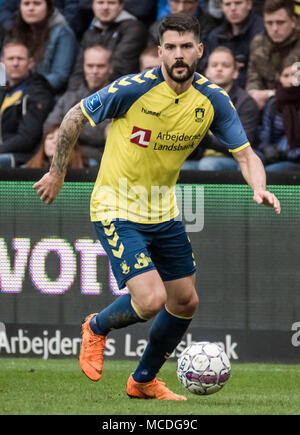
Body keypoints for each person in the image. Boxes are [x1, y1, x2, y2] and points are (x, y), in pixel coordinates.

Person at [33, 13, 280, 401]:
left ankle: (143, 380)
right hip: (115, 205)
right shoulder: (133, 89)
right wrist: (57, 172)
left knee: (185, 300)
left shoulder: (212, 100)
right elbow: (74, 115)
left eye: (186, 47)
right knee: (150, 300)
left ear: (199, 50)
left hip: (162, 211)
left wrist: (260, 188)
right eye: (172, 48)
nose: (179, 55)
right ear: (160, 52)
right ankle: (96, 327)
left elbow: (246, 155)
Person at [182, 46, 260, 170]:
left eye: (225, 65)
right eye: (214, 65)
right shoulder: (194, 99)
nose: (219, 69)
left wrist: (206, 140)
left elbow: (245, 143)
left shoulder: (246, 102)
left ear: (235, 73)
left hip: (234, 158)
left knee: (207, 164)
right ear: (207, 71)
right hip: (199, 158)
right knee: (179, 167)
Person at [45, 45, 112, 166]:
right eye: (90, 66)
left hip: (96, 160)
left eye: (100, 66)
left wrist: (69, 126)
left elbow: (101, 137)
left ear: (110, 68)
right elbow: (49, 127)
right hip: (64, 155)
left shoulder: (116, 97)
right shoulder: (69, 96)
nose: (95, 71)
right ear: (84, 67)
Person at [67, 0, 147, 90]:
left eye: (111, 3)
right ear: (93, 6)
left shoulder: (134, 29)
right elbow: (78, 71)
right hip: (88, 94)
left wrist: (92, 98)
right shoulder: (90, 33)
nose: (105, 7)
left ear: (121, 6)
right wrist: (75, 94)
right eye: (100, 2)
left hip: (118, 92)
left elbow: (121, 69)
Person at [0, 40, 54, 168]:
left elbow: (27, 138)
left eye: (20, 59)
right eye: (10, 58)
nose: (15, 63)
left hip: (24, 156)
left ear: (30, 63)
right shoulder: (4, 91)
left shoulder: (39, 92)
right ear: (3, 62)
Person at [6, 0, 78, 93]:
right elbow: (2, 68)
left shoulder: (62, 33)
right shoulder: (15, 31)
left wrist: (24, 90)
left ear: (48, 7)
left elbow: (59, 77)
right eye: (26, 3)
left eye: (37, 3)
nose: (31, 8)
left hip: (47, 96)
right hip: (11, 93)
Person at [246, 0, 300, 109]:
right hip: (265, 108)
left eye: (280, 22)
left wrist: (270, 94)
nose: (274, 29)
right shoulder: (258, 42)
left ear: (293, 21)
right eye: (269, 23)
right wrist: (253, 93)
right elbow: (253, 79)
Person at [203, 0, 264, 88]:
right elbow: (207, 68)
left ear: (249, 4)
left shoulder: (262, 31)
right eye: (227, 4)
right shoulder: (215, 36)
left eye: (238, 3)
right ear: (222, 7)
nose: (233, 8)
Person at [258, 56, 300, 172]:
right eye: (286, 75)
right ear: (279, 78)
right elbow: (266, 134)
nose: (291, 80)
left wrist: (286, 154)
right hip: (274, 156)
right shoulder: (273, 104)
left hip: (293, 158)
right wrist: (267, 149)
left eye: (295, 75)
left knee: (270, 171)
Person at [148, 0, 218, 50]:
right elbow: (153, 57)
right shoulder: (156, 28)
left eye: (188, 2)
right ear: (169, 2)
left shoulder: (210, 27)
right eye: (176, 1)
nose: (181, 8)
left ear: (196, 3)